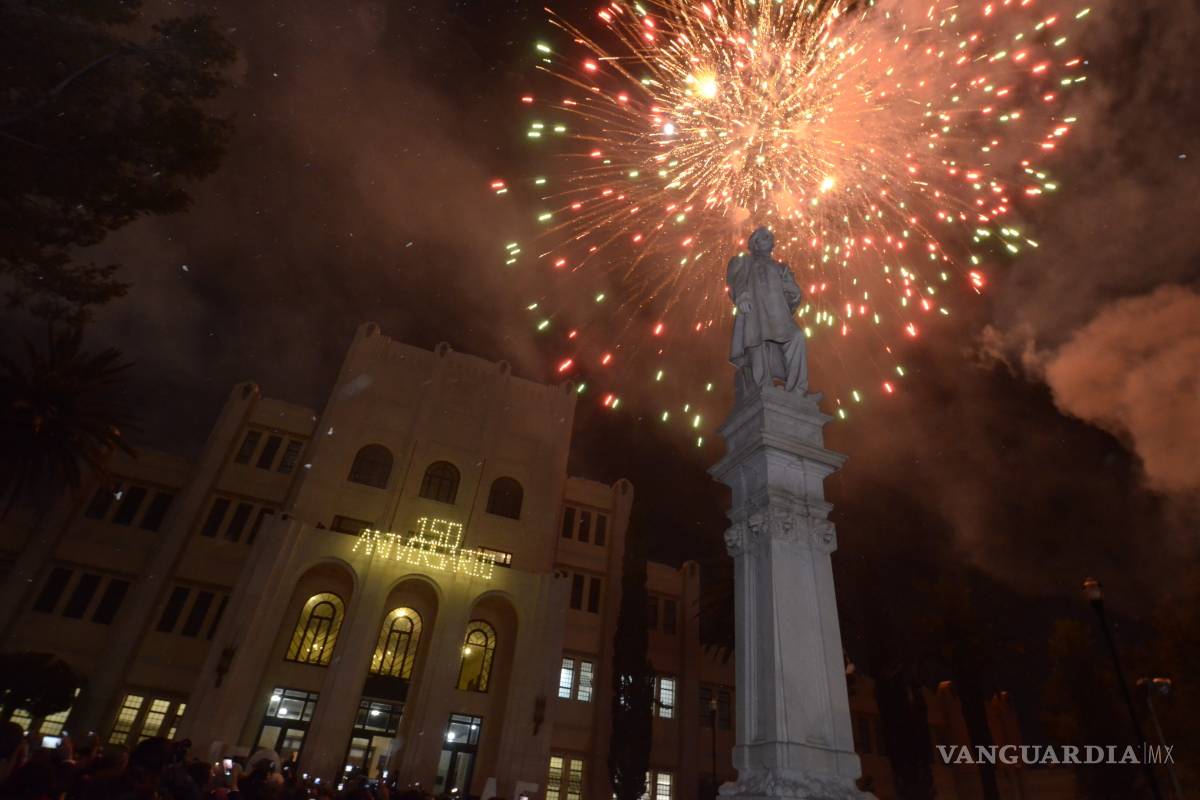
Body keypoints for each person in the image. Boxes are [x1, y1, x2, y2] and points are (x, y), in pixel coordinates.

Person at [726, 226, 809, 398]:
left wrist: (793, 296)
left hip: (779, 313)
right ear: (754, 244)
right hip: (756, 311)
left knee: (797, 337)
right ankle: (763, 386)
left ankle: (797, 389)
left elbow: (793, 293)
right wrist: (742, 297)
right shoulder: (744, 261)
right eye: (763, 237)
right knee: (758, 342)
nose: (768, 239)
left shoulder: (781, 267)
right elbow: (737, 282)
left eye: (769, 237)